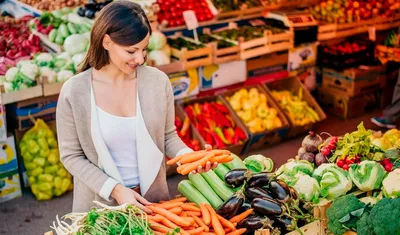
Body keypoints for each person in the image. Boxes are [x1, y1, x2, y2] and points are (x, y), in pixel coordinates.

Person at [56, 1, 215, 213]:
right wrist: (116, 190)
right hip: (99, 209)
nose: (140, 59)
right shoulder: (74, 92)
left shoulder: (157, 82)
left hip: (154, 204)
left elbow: (167, 136)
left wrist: (191, 158)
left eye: (144, 49)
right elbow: (71, 156)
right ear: (106, 42)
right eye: (131, 51)